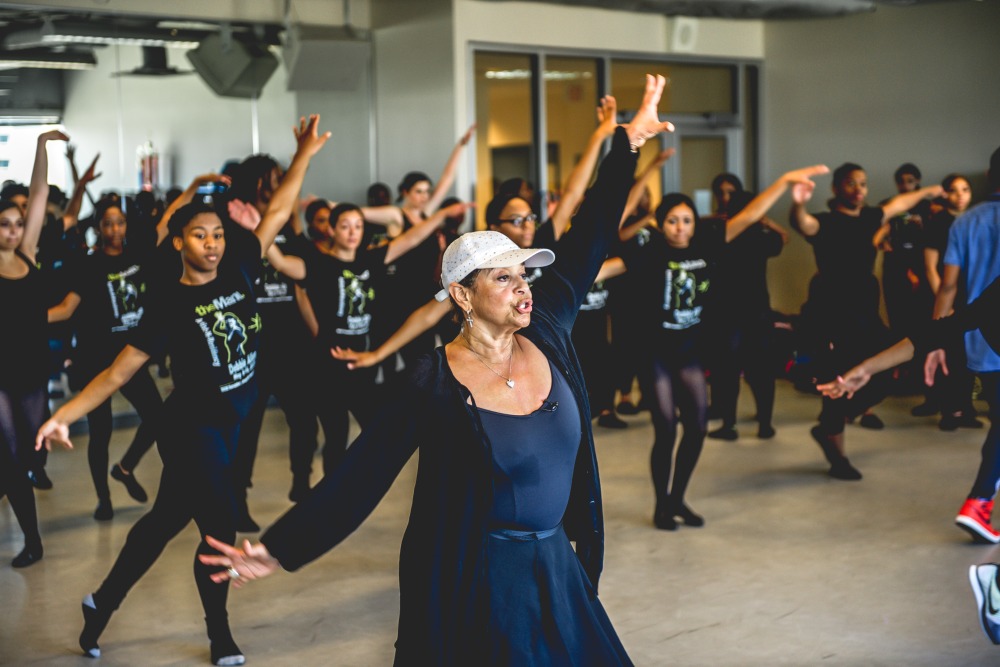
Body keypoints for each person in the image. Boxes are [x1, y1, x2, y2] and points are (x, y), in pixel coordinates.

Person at [198, 74, 673, 666]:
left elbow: (592, 235)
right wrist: (277, 549)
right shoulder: (433, 380)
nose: (523, 288)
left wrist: (627, 145)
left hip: (558, 569)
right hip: (480, 579)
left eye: (523, 275)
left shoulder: (548, 327)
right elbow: (361, 476)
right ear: (463, 296)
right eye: (503, 277)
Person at [35, 115, 330, 665]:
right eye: (199, 235)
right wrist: (63, 415)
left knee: (164, 521)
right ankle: (220, 635)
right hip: (193, 428)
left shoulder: (240, 263)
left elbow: (278, 211)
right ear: (178, 242)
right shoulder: (169, 304)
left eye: (217, 234)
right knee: (219, 530)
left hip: (230, 421)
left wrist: (304, 156)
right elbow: (117, 373)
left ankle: (100, 603)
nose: (212, 244)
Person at [599, 166, 828, 530]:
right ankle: (662, 506)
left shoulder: (707, 243)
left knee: (697, 428)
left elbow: (749, 216)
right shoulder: (650, 252)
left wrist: (784, 183)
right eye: (672, 221)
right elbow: (605, 269)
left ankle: (677, 499)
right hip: (655, 355)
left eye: (686, 220)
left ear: (695, 223)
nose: (680, 228)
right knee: (666, 430)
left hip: (688, 352)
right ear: (660, 224)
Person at [789, 161, 942, 480]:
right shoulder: (826, 222)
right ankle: (838, 456)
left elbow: (900, 203)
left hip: (865, 312)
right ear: (836, 188)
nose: (858, 189)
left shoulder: (872, 217)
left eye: (862, 183)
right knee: (838, 381)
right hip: (832, 315)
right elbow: (803, 223)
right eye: (850, 183)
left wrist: (931, 190)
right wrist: (798, 204)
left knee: (888, 370)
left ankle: (832, 425)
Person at [48, 195, 165, 521]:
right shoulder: (88, 264)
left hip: (131, 356)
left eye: (120, 223)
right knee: (100, 434)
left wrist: (196, 185)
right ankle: (104, 498)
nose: (115, 230)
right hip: (95, 358)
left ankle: (125, 468)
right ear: (99, 227)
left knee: (158, 419)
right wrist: (23, 318)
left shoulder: (139, 256)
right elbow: (67, 309)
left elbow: (167, 224)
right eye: (108, 224)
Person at [0, 129, 67, 567]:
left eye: (18, 223)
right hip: (1, 375)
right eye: (4, 224)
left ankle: (29, 530)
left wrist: (41, 147)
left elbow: (39, 194)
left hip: (32, 369)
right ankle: (32, 541)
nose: (13, 230)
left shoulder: (27, 253)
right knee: (10, 457)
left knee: (28, 455)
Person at [920, 173, 982, 430]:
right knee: (947, 354)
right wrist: (946, 302)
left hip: (972, 295)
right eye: (955, 190)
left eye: (965, 189)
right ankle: (949, 411)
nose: (961, 195)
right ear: (945, 194)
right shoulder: (937, 223)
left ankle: (965, 409)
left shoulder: (976, 219)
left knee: (968, 355)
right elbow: (930, 268)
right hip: (944, 298)